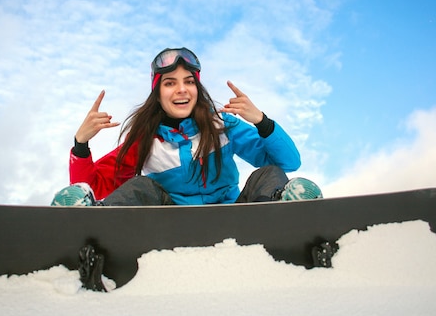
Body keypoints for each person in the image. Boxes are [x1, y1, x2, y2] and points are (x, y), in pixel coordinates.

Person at [52, 47, 322, 207]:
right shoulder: (146, 141)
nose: (181, 89)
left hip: (232, 216)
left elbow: (289, 162)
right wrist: (81, 146)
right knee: (142, 186)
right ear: (158, 92)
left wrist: (262, 122)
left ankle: (289, 207)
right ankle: (99, 220)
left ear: (197, 87)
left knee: (269, 173)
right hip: (172, 221)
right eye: (170, 82)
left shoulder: (222, 126)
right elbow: (94, 185)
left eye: (188, 81)